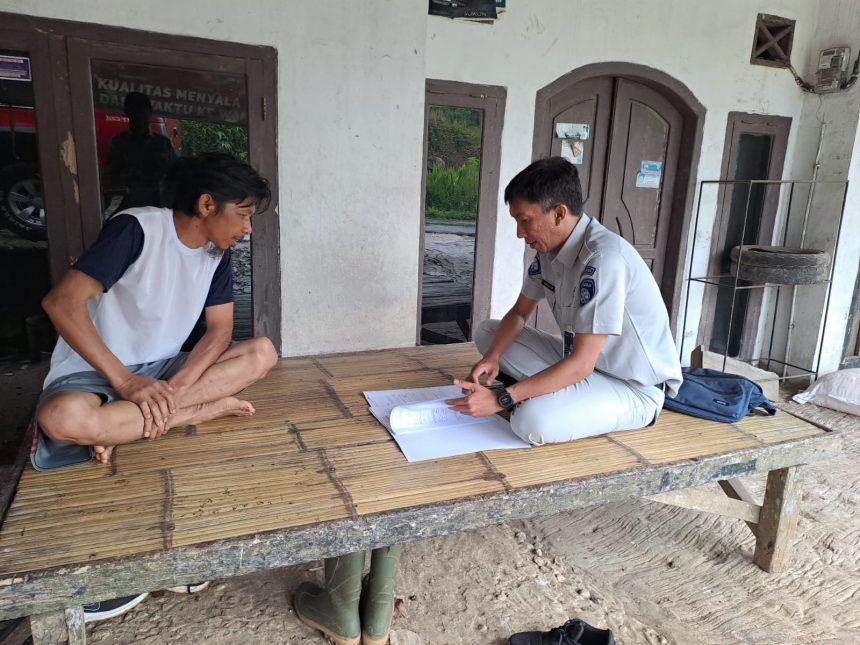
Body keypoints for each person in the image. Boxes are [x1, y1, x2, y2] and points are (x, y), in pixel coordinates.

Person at [32, 152, 277, 620]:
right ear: (207, 204)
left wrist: (175, 389)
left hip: (164, 369)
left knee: (262, 352)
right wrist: (126, 382)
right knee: (62, 418)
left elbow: (219, 332)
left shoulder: (216, 254)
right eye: (244, 214)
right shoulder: (137, 229)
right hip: (97, 369)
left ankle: (136, 423)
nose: (248, 229)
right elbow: (61, 303)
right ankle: (193, 413)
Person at [447, 156, 682, 444]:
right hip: (581, 364)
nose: (519, 233)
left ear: (559, 213)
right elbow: (519, 314)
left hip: (632, 387)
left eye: (525, 221)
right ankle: (555, 394)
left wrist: (501, 399)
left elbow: (582, 364)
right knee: (488, 332)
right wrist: (492, 357)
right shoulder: (548, 252)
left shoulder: (604, 260)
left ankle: (549, 398)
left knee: (529, 421)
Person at [106, 91, 177, 211]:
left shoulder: (163, 143)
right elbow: (113, 177)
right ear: (127, 113)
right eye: (135, 113)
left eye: (143, 113)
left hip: (159, 205)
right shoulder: (119, 143)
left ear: (150, 113)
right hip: (131, 206)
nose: (140, 117)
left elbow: (175, 174)